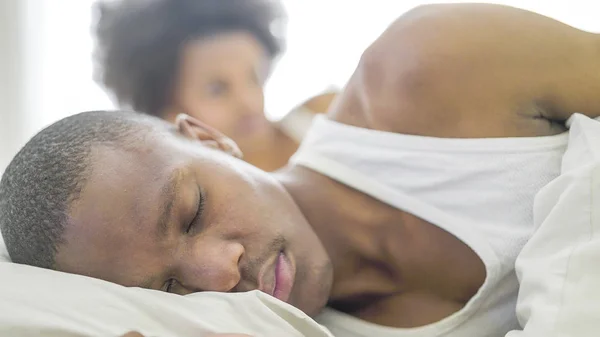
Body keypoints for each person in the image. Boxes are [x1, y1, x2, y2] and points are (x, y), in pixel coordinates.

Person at [2, 3, 600, 336]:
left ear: (209, 139)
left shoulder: (430, 68)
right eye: (167, 287)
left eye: (192, 213)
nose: (219, 273)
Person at [94, 0, 313, 171]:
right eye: (217, 90)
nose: (249, 102)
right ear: (167, 112)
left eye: (254, 78)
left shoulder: (320, 118)